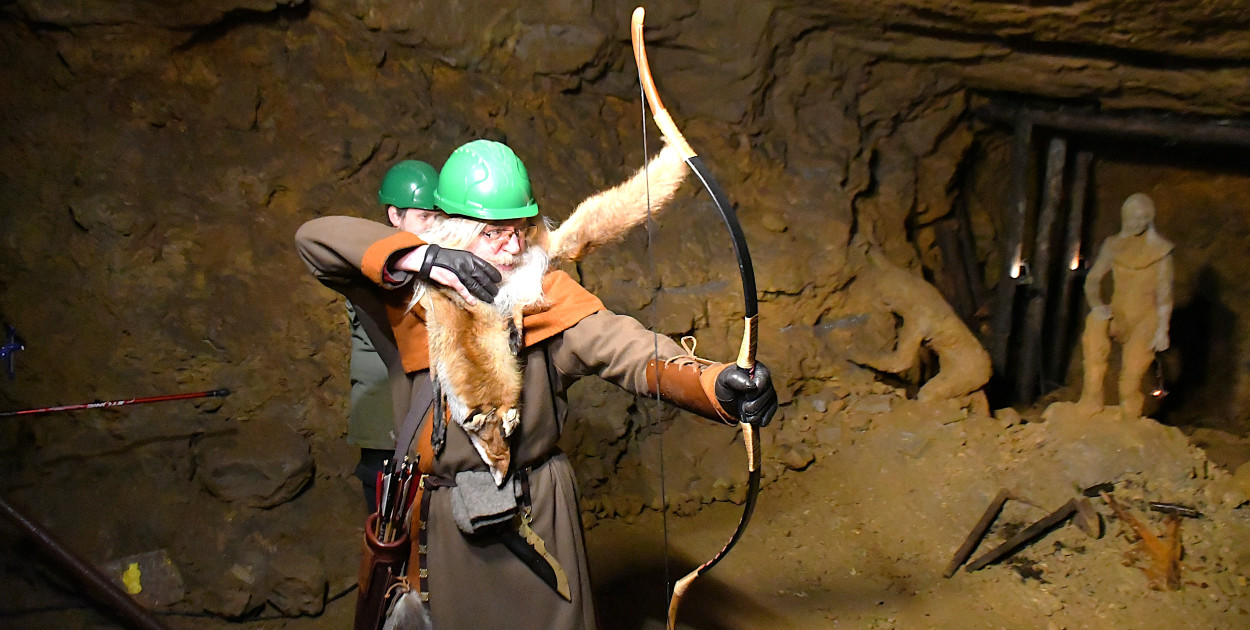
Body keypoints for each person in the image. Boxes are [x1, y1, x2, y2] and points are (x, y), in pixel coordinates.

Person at [295, 139, 777, 630]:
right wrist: (421, 261)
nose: (512, 247)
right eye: (492, 234)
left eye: (520, 229)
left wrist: (714, 385)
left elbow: (624, 346)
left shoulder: (545, 296)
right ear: (455, 235)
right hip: (444, 525)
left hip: (541, 509)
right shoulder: (408, 305)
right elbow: (316, 241)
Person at [350, 160, 442, 512]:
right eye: (423, 217)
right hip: (385, 430)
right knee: (388, 544)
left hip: (425, 429)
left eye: (438, 217)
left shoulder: (431, 264)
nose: (432, 227)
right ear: (394, 216)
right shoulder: (375, 264)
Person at [1076, 192, 1174, 419]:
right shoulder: (1113, 246)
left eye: (1142, 218)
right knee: (1095, 324)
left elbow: (1165, 296)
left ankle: (1129, 412)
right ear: (1124, 217)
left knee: (1129, 381)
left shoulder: (1161, 253)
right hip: (1119, 314)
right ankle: (1092, 397)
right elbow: (1092, 280)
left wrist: (1162, 330)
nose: (1137, 223)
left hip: (1145, 321)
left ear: (1149, 218)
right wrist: (1097, 305)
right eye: (1132, 217)